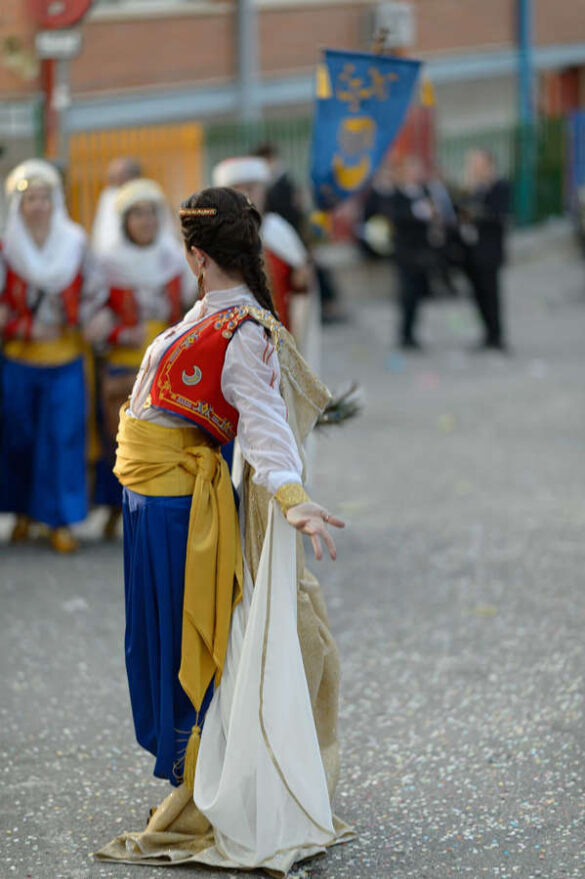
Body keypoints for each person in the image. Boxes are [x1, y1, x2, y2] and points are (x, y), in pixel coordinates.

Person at [95, 186, 353, 874]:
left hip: (180, 509)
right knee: (153, 642)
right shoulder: (208, 316)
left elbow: (264, 423)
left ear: (198, 256)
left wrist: (291, 495)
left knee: (184, 646)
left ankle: (202, 785)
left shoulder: (242, 333)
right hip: (151, 503)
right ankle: (190, 776)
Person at [85, 177, 195, 538]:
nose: (145, 221)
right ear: (124, 221)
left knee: (162, 440)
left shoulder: (174, 259)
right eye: (137, 214)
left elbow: (189, 309)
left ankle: (156, 511)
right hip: (124, 365)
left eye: (151, 213)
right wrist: (119, 332)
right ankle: (115, 510)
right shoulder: (107, 263)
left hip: (167, 365)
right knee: (119, 439)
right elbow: (94, 317)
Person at [0, 159, 100, 552]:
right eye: (30, 199)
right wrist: (22, 327)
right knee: (19, 437)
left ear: (55, 201)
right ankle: (24, 513)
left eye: (44, 198)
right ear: (19, 205)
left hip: (66, 356)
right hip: (19, 357)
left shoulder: (76, 244)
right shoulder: (6, 248)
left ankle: (59, 519)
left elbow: (95, 292)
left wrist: (94, 319)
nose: (38, 206)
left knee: (63, 437)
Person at [211, 156, 317, 358]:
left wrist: (302, 280)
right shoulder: (214, 238)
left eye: (251, 188)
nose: (245, 195)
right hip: (235, 348)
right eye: (236, 189)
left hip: (280, 342)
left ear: (264, 192)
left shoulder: (279, 230)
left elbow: (300, 288)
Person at [457, 149, 511, 351]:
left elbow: (498, 215)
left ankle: (496, 335)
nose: (473, 169)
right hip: (471, 251)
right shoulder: (474, 188)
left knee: (491, 294)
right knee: (478, 294)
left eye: (477, 164)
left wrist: (474, 212)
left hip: (490, 252)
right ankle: (487, 334)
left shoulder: (500, 186)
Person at [387, 155, 439, 350]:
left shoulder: (424, 191)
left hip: (422, 250)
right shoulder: (397, 195)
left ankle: (413, 332)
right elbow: (396, 219)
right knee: (407, 293)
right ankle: (405, 333)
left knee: (418, 293)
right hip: (406, 251)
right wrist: (417, 214)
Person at [91, 156, 142, 255]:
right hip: (107, 256)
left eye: (119, 174)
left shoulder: (143, 194)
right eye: (112, 175)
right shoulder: (108, 195)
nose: (113, 178)